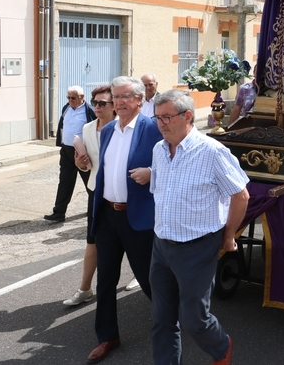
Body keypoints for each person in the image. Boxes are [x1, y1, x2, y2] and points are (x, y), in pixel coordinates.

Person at [149, 90, 249, 365]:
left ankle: (220, 347)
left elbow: (240, 195)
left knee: (194, 319)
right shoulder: (159, 149)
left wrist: (228, 236)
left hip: (197, 246)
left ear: (188, 116)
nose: (161, 123)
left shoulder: (212, 151)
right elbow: (160, 192)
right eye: (158, 118)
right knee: (162, 318)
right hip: (161, 245)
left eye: (167, 117)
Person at [87, 76, 163, 364]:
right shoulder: (107, 131)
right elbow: (103, 170)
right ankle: (107, 336)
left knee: (147, 278)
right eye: (115, 97)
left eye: (125, 97)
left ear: (139, 100)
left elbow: (174, 163)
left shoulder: (152, 129)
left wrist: (153, 174)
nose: (118, 102)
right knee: (105, 278)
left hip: (138, 217)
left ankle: (172, 322)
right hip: (108, 215)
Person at [64, 85, 116, 306]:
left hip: (121, 194)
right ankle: (85, 288)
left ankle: (139, 279)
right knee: (92, 241)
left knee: (132, 244)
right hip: (96, 191)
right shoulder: (87, 129)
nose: (97, 107)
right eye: (95, 103)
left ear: (114, 106)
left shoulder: (122, 129)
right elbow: (87, 167)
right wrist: (80, 164)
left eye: (102, 103)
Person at [44, 85, 96, 223]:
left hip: (83, 152)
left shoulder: (89, 110)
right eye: (68, 97)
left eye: (73, 98)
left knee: (90, 183)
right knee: (65, 182)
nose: (70, 100)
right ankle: (59, 213)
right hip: (67, 151)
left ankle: (95, 209)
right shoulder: (66, 108)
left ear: (82, 97)